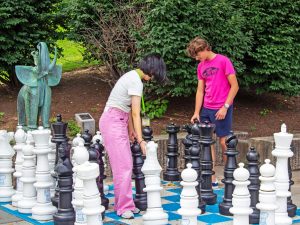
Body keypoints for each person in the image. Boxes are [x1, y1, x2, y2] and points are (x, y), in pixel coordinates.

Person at [99, 53, 167, 219]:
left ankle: (125, 203)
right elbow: (136, 113)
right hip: (113, 122)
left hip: (117, 120)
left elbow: (127, 109)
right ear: (151, 69)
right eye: (154, 75)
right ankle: (123, 207)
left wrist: (131, 130)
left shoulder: (131, 76)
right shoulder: (136, 82)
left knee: (124, 165)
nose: (152, 79)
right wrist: (141, 139)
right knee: (124, 166)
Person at [187, 37, 239, 188]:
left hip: (222, 108)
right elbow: (200, 90)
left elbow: (235, 86)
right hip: (206, 109)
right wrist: (196, 111)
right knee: (207, 142)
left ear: (205, 49)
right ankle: (212, 178)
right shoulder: (201, 66)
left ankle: (230, 176)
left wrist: (225, 107)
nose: (197, 58)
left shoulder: (223, 61)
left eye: (198, 55)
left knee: (224, 142)